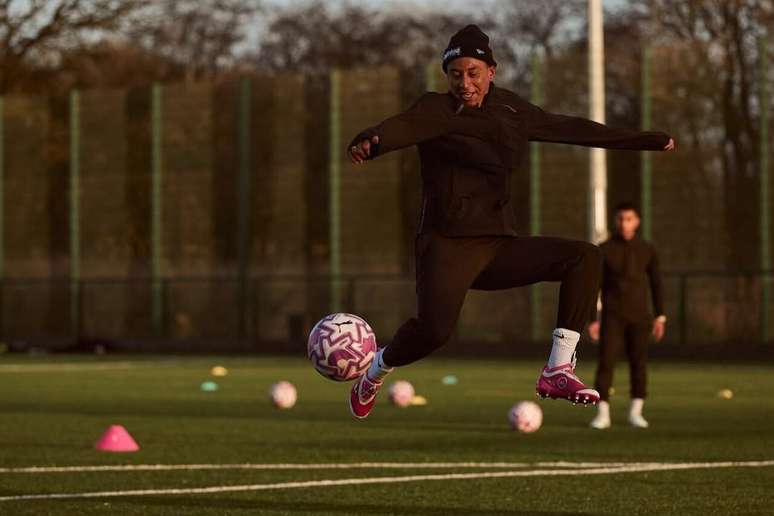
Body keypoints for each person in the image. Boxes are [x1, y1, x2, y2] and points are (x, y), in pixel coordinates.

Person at [347, 24, 675, 419]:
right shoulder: (436, 109)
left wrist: (643, 140)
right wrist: (372, 140)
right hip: (447, 247)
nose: (464, 84)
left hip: (498, 245)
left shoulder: (512, 111)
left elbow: (570, 128)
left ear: (491, 71)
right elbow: (402, 126)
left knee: (585, 257)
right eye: (455, 75)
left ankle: (557, 369)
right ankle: (374, 371)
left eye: (473, 73)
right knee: (434, 332)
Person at [588, 202, 666, 429]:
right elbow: (594, 287)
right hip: (612, 317)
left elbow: (656, 284)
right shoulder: (604, 249)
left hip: (640, 317)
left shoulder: (647, 249)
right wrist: (593, 319)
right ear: (616, 221)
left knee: (638, 363)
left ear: (637, 221)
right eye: (621, 219)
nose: (624, 224)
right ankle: (603, 414)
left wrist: (660, 316)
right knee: (606, 363)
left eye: (629, 219)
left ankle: (636, 413)